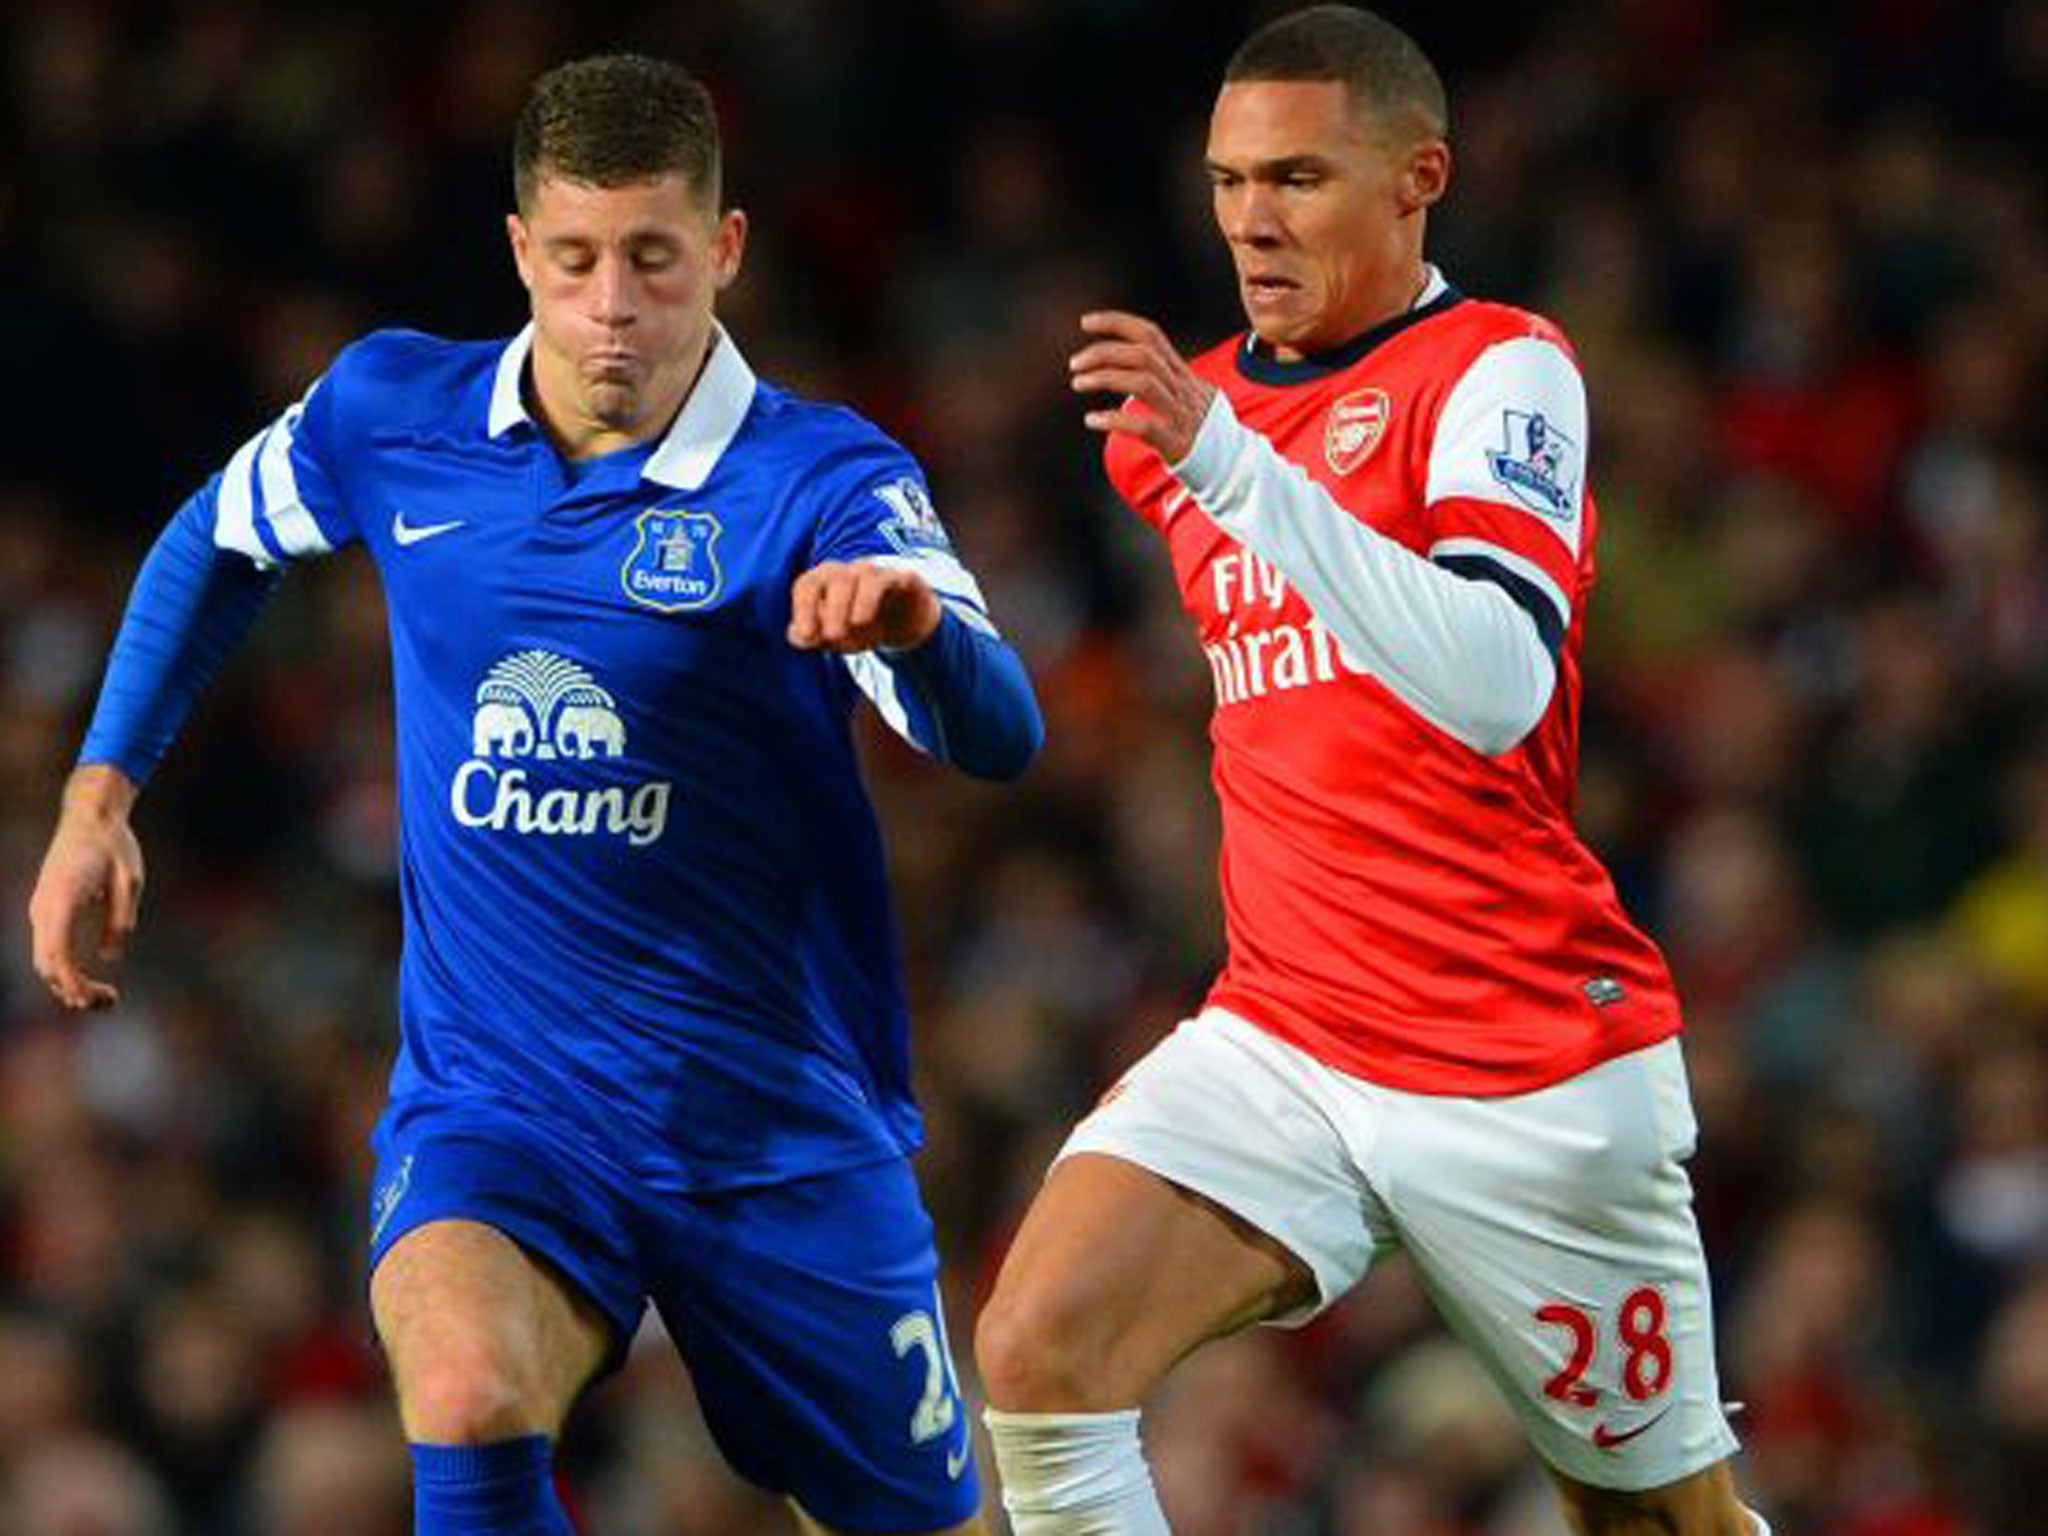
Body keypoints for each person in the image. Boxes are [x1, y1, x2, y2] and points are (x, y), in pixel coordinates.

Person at [27, 53, 1039, 1536]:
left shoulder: (824, 480)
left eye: (652, 257)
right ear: (519, 251)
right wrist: (95, 800)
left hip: (775, 1132)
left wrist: (922, 633)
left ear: (726, 249)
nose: (611, 303)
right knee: (461, 1386)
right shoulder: (392, 411)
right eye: (573, 260)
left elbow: (1001, 736)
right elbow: (214, 543)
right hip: (506, 1104)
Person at [973, 9, 1764, 1536]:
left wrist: (1236, 466)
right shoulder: (1177, 427)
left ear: (1421, 179)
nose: (1251, 221)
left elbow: (1491, 679)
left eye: (1298, 178)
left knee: (1656, 1524)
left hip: (1527, 1064)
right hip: (1288, 1033)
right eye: (1225, 181)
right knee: (1037, 1346)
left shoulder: (1502, 371)